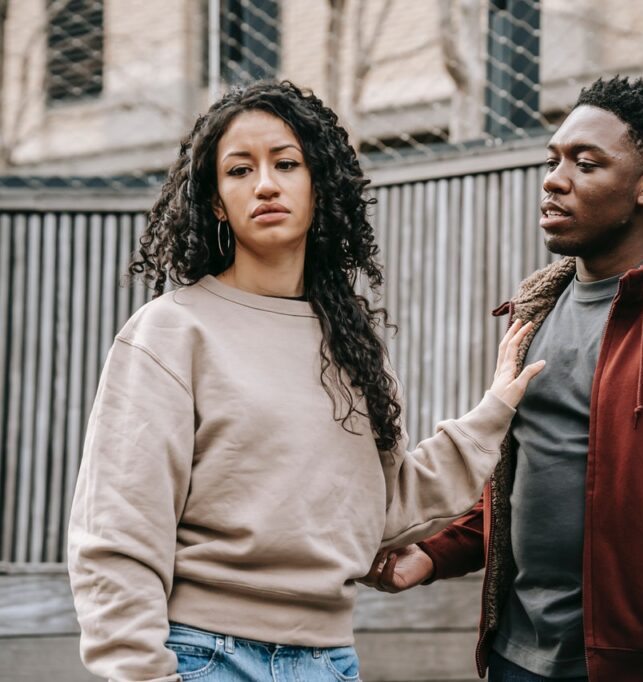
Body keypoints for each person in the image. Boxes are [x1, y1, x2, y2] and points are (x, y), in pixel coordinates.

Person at [66, 79, 545, 682]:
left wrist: (493, 412)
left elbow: (379, 509)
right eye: (240, 170)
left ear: (318, 184)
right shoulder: (170, 333)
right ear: (216, 201)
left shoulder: (351, 344)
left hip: (331, 661)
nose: (265, 183)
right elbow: (118, 532)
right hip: (204, 659)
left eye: (286, 163)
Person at [363, 76, 643, 682]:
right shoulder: (534, 310)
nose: (554, 179)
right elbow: (524, 480)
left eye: (585, 164)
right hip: (515, 656)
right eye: (553, 160)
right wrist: (434, 554)